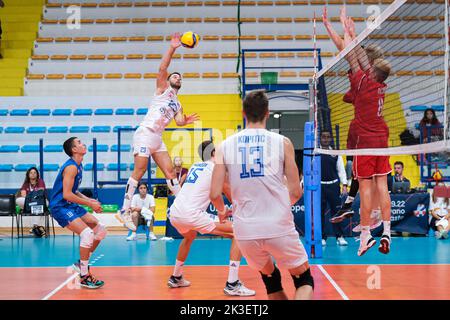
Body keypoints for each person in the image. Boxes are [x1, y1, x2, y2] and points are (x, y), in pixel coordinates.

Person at [211, 90, 314, 300]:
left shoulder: (223, 146)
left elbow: (214, 193)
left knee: (271, 281)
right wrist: (281, 207)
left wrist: (223, 211)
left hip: (246, 231)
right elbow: (296, 191)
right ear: (268, 113)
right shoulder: (282, 142)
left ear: (243, 113)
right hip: (278, 225)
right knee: (303, 280)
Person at [117, 32, 200, 230]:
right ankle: (124, 209)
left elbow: (178, 121)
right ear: (169, 80)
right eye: (174, 75)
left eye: (179, 77)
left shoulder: (178, 103)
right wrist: (172, 47)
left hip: (157, 139)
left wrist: (185, 121)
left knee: (170, 172)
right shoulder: (163, 89)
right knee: (139, 170)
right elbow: (163, 67)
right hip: (145, 133)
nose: (177, 77)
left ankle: (184, 207)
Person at [168, 140, 255, 296]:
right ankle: (232, 284)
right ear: (214, 153)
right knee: (238, 232)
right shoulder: (217, 168)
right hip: (191, 214)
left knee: (189, 236)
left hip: (175, 212)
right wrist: (225, 210)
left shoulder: (196, 165)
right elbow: (223, 193)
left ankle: (176, 277)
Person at [341, 16, 392, 256]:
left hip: (366, 142)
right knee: (383, 186)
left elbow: (353, 55)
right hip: (383, 138)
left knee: (365, 188)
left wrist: (348, 32)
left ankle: (365, 236)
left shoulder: (363, 83)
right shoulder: (382, 87)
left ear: (371, 72)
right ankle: (387, 231)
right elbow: (357, 56)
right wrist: (351, 34)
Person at [49, 137, 106, 289]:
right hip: (60, 206)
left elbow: (74, 192)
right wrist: (90, 203)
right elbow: (67, 194)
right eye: (79, 142)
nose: (83, 144)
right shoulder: (71, 167)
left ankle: (81, 263)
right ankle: (84, 276)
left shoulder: (79, 166)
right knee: (87, 233)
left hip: (69, 204)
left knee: (100, 229)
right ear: (74, 150)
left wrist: (90, 201)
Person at [319, 130, 348, 246]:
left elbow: (341, 170)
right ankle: (322, 237)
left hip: (334, 186)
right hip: (320, 187)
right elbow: (309, 169)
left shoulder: (336, 153)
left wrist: (344, 184)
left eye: (328, 137)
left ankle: (339, 236)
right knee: (320, 213)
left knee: (336, 213)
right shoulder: (315, 152)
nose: (325, 139)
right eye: (323, 137)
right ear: (320, 139)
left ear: (330, 139)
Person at [15, 167, 47, 234]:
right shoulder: (26, 183)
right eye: (31, 173)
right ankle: (36, 227)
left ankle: (35, 227)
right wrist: (33, 197)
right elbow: (23, 195)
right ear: (28, 174)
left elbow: (40, 194)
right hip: (29, 202)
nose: (33, 174)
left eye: (34, 173)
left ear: (37, 174)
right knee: (18, 200)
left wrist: (30, 197)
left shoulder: (40, 181)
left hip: (40, 202)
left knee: (37, 205)